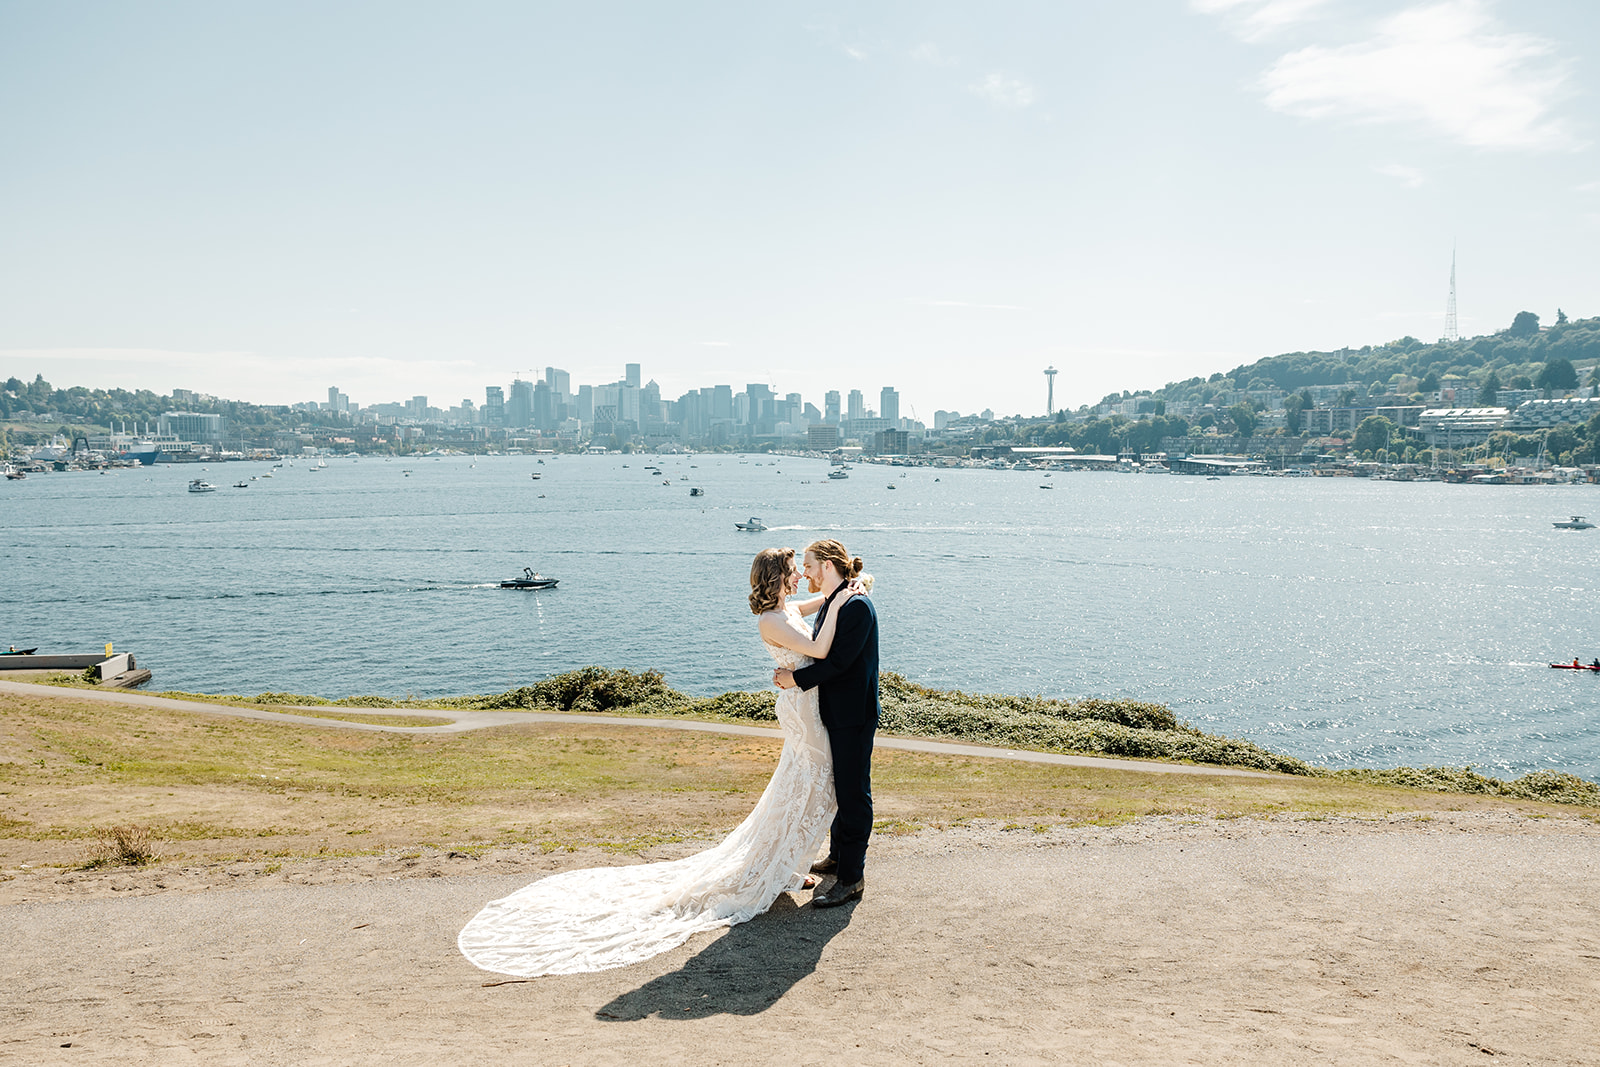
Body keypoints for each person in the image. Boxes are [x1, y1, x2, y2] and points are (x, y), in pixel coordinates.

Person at [457, 547, 856, 978]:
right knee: (813, 783)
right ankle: (777, 867)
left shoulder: (786, 609)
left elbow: (817, 603)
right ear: (778, 576)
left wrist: (839, 594)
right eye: (794, 572)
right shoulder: (772, 620)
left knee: (800, 785)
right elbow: (818, 647)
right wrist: (848, 600)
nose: (800, 577)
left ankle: (782, 866)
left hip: (805, 707)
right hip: (802, 711)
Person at [774, 538, 879, 909]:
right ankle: (838, 858)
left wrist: (794, 680)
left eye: (810, 565)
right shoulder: (837, 601)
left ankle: (852, 877)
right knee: (839, 788)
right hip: (833, 712)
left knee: (854, 794)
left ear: (828, 566)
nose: (805, 572)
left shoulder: (857, 607)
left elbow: (838, 664)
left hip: (854, 716)